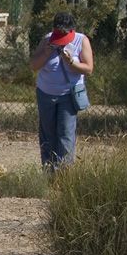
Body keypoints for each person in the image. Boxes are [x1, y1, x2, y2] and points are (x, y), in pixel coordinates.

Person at [29, 11, 94, 169]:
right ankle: (49, 170)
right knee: (47, 133)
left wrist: (71, 62)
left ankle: (63, 173)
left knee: (65, 135)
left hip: (68, 96)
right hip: (45, 94)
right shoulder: (47, 40)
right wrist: (46, 53)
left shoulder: (81, 40)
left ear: (73, 29)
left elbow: (89, 69)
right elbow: (33, 65)